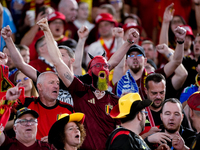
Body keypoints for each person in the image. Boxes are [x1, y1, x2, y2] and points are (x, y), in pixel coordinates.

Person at [36, 17, 137, 150]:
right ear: (89, 72)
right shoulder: (80, 90)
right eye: (98, 65)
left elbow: (114, 63)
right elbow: (58, 62)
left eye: (105, 67)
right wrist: (47, 30)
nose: (103, 68)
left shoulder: (114, 100)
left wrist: (129, 42)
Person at [105, 93, 170, 150]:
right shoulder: (123, 139)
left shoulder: (127, 137)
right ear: (139, 115)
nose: (146, 116)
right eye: (145, 113)